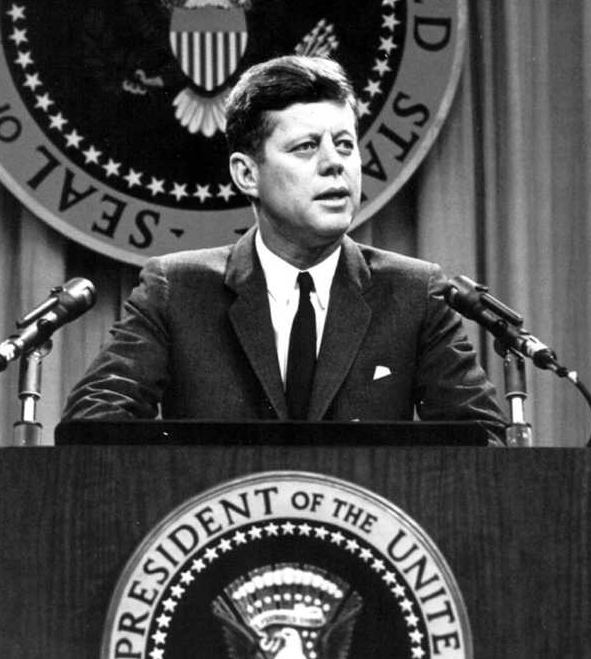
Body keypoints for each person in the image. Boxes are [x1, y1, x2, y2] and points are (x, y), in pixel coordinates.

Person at [62, 55, 506, 438]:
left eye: (346, 145)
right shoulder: (177, 290)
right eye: (306, 147)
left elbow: (485, 443)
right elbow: (93, 423)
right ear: (246, 174)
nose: (335, 164)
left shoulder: (414, 293)